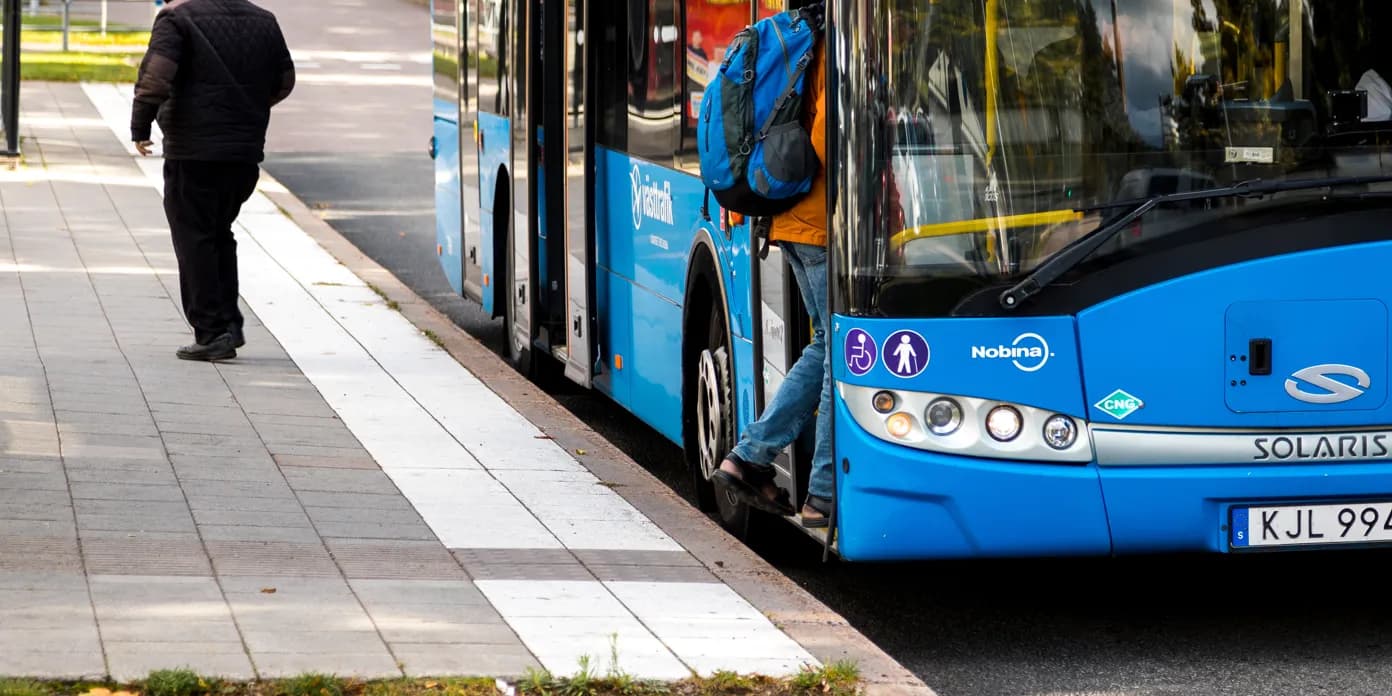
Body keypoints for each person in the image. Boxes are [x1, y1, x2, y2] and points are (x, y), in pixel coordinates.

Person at [712, 11, 832, 529]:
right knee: (839, 357)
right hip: (821, 227)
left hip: (788, 220)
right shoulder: (837, 52)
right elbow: (828, 139)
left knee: (826, 346)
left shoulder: (800, 45)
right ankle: (822, 494)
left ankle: (749, 459)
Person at [131, 0, 295, 362]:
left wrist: (140, 126)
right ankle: (228, 326)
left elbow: (157, 75)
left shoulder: (176, 18)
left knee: (195, 237)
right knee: (219, 232)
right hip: (244, 151)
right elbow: (285, 81)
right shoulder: (264, 20)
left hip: (194, 150)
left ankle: (212, 332)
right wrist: (246, 110)